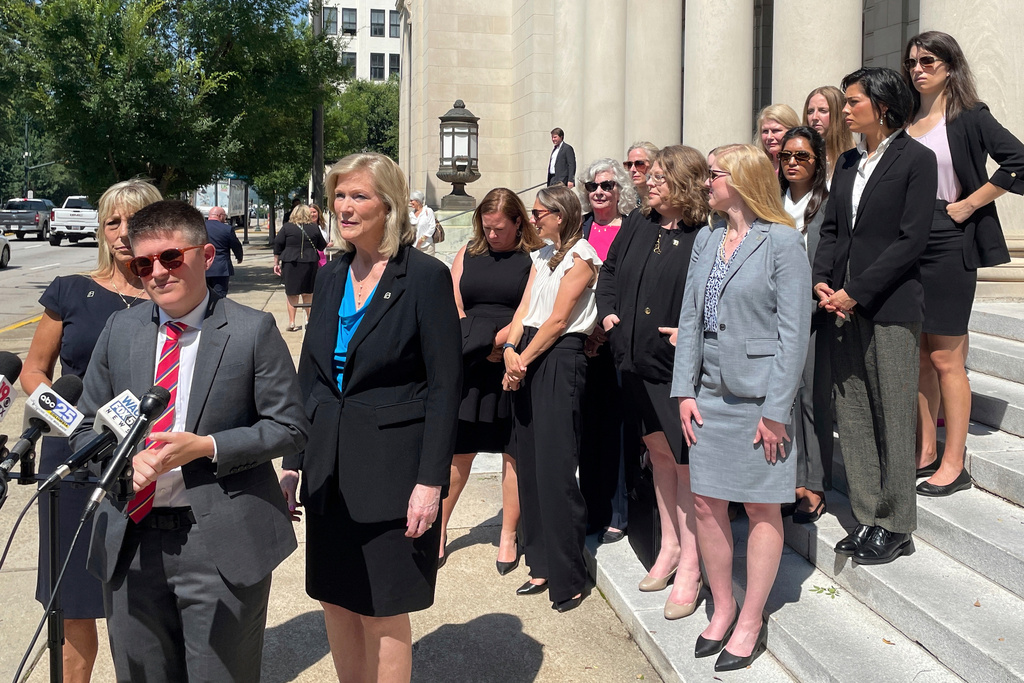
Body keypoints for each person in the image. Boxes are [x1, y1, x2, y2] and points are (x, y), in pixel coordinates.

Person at [71, 199, 308, 682]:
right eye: (143, 264)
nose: (157, 273)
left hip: (217, 539)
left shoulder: (250, 330)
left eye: (171, 258)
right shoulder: (121, 330)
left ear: (205, 254)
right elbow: (85, 426)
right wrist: (119, 462)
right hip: (130, 538)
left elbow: (290, 425)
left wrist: (208, 447)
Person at [279, 153, 461, 683]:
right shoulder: (331, 273)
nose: (345, 207)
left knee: (383, 607)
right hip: (329, 468)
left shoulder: (423, 277)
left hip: (393, 472)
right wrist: (294, 463)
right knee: (335, 600)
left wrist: (431, 483)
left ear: (390, 205)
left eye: (359, 196)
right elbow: (310, 377)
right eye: (339, 196)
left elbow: (445, 389)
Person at [672, 144, 810, 670]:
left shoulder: (782, 243)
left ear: (744, 179)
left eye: (714, 175)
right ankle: (724, 605)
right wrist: (684, 390)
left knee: (760, 508)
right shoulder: (707, 238)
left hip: (760, 403)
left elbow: (793, 335)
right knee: (705, 503)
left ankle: (751, 619)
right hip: (709, 396)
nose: (706, 183)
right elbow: (690, 319)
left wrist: (776, 410)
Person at [20, 178, 161, 683]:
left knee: (146, 597)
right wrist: (76, 424)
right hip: (74, 461)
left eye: (135, 220)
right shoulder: (70, 291)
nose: (123, 232)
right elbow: (33, 372)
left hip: (148, 462)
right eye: (113, 221)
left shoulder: (173, 296)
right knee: (73, 603)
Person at [812, 67, 937, 566]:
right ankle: (868, 514)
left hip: (889, 306)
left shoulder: (917, 160)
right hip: (840, 304)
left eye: (853, 101)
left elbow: (912, 241)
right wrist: (823, 280)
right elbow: (833, 230)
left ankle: (897, 523)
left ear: (882, 106)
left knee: (892, 412)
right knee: (856, 412)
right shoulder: (846, 163)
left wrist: (855, 292)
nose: (844, 109)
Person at [903, 31, 1024, 497]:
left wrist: (970, 203)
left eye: (928, 61)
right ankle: (925, 451)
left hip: (951, 237)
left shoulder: (971, 116)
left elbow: (1018, 160)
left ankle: (955, 463)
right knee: (918, 357)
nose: (918, 69)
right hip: (910, 241)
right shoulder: (907, 120)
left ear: (950, 66)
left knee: (946, 357)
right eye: (912, 61)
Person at [596, 145, 709, 620]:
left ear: (684, 182)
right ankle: (669, 546)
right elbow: (611, 273)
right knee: (659, 456)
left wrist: (695, 331)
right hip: (632, 359)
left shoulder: (705, 232)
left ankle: (693, 565)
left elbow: (717, 296)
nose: (650, 182)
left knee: (685, 464)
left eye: (661, 176)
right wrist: (608, 317)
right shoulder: (639, 222)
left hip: (675, 368)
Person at [504, 185, 600, 613]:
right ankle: (539, 562)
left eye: (539, 212)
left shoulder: (583, 258)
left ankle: (569, 575)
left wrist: (520, 359)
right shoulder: (539, 257)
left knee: (557, 469)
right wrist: (509, 349)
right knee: (529, 464)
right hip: (525, 352)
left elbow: (560, 319)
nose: (533, 218)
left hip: (558, 359)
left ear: (560, 215)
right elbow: (523, 310)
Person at [440, 188, 543, 571]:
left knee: (511, 451)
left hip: (512, 361)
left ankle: (507, 535)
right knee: (458, 450)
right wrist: (476, 342)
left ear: (519, 222)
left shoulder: (533, 259)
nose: (493, 234)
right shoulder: (467, 253)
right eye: (487, 227)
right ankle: (440, 527)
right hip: (469, 361)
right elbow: (451, 300)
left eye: (500, 227)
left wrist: (500, 342)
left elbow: (530, 306)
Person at [575, 158, 638, 545]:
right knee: (588, 428)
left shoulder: (632, 230)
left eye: (607, 185)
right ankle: (591, 507)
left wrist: (605, 328)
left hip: (616, 338)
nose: (599, 191)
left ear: (621, 191)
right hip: (581, 341)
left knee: (616, 428)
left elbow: (629, 285)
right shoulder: (579, 227)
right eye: (592, 185)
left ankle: (618, 511)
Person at [778, 127, 833, 523]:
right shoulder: (771, 204)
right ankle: (789, 480)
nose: (793, 163)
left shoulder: (828, 204)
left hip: (815, 314)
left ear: (818, 161)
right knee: (784, 397)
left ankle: (814, 484)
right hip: (774, 312)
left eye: (803, 156)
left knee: (811, 397)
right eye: (787, 156)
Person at [273, 204, 326, 331]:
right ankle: (309, 319)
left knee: (291, 293)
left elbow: (278, 245)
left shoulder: (287, 227)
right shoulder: (314, 228)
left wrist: (276, 263)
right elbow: (321, 246)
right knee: (308, 293)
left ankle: (292, 322)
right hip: (310, 261)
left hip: (291, 262)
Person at [802, 86, 856, 182]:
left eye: (823, 111)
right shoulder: (800, 156)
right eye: (810, 111)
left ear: (839, 114)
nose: (814, 117)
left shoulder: (857, 157)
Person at [204, 206, 243, 297]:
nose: (225, 218)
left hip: (203, 268)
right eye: (224, 216)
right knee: (219, 296)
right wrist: (239, 257)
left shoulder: (200, 228)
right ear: (219, 216)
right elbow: (236, 245)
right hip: (221, 269)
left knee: (203, 296)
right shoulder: (227, 229)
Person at [754, 104, 801, 174]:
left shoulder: (801, 166)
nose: (769, 137)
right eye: (765, 131)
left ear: (792, 131)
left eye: (776, 130)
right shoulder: (756, 167)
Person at [625, 141, 660, 209]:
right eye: (629, 164)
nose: (632, 169)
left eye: (639, 163)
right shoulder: (625, 200)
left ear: (653, 164)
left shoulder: (662, 200)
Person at [409, 190, 436, 255]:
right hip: (414, 247)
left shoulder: (428, 211)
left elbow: (432, 227)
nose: (410, 202)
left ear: (418, 201)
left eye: (412, 200)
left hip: (427, 247)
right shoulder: (411, 214)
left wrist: (421, 240)